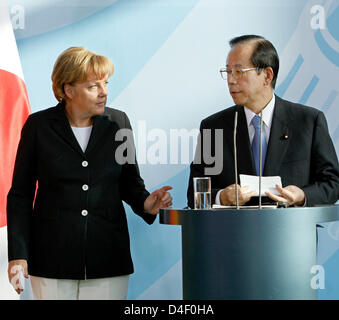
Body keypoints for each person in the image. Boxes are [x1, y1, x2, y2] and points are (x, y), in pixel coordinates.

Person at [7, 47, 172, 300]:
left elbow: (129, 182)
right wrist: (18, 254)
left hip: (107, 257)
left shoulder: (119, 123)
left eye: (105, 83)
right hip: (51, 258)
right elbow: (20, 195)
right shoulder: (38, 127)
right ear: (68, 90)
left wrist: (146, 203)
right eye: (93, 86)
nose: (104, 92)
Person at [187, 35, 339, 208]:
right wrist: (221, 197)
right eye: (227, 72)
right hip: (230, 232)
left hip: (290, 231)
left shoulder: (308, 122)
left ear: (267, 75)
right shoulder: (213, 128)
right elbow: (194, 194)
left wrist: (301, 195)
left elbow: (332, 184)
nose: (230, 80)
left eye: (239, 72)